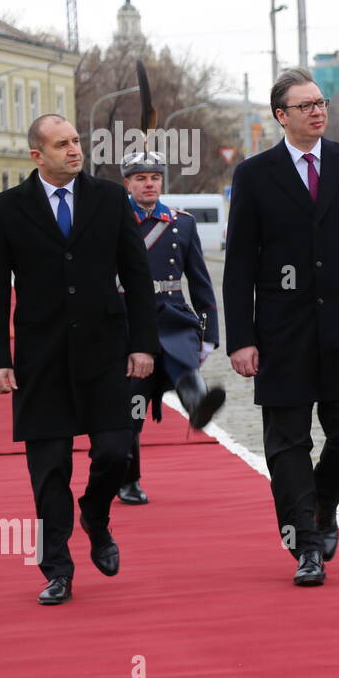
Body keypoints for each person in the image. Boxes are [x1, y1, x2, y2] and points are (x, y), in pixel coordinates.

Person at [223, 68, 339, 587]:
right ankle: (306, 544)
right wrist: (242, 337)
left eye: (320, 102)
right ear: (281, 115)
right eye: (304, 105)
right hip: (282, 332)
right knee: (287, 442)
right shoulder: (255, 175)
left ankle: (322, 504)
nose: (317, 111)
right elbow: (239, 264)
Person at [0, 114, 158, 605]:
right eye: (62, 144)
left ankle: (96, 516)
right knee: (49, 470)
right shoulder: (9, 209)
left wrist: (143, 344)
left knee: (116, 452)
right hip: (40, 358)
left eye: (77, 141)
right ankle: (56, 567)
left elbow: (137, 275)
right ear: (38, 155)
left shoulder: (107, 198)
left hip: (105, 353)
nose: (75, 150)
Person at [118, 151, 226, 505]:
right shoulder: (113, 223)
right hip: (130, 318)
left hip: (172, 313)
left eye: (154, 178)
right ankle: (128, 478)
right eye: (140, 178)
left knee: (184, 357)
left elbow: (200, 280)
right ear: (128, 184)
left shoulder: (182, 223)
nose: (149, 184)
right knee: (132, 400)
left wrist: (209, 334)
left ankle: (198, 405)